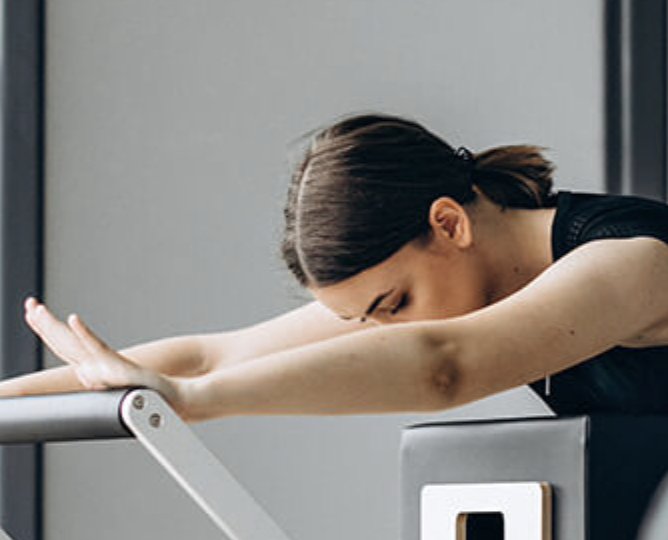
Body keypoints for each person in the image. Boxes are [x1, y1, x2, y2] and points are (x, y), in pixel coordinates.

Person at [6, 113, 668, 418]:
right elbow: (216, 356)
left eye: (393, 306)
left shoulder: (633, 262)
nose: (387, 333)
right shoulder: (453, 284)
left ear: (448, 223)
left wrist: (190, 404)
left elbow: (446, 365)